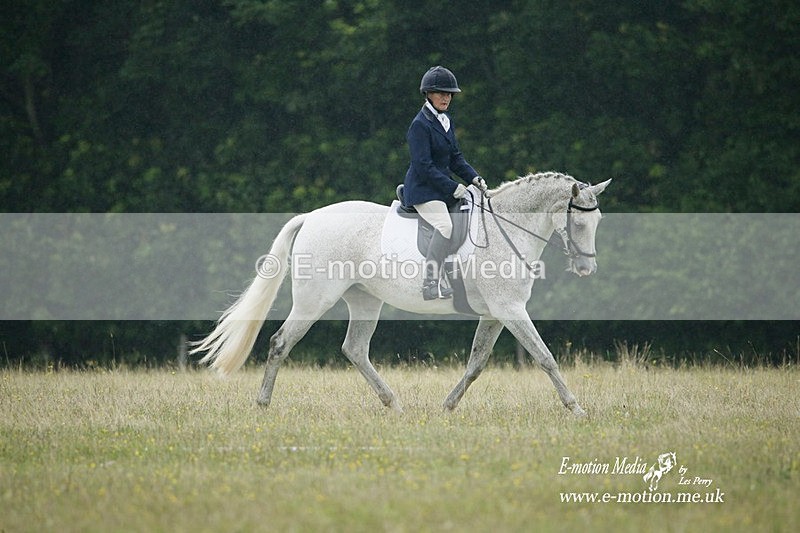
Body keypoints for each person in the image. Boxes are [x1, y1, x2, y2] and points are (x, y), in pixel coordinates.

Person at [403, 66, 487, 300]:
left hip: (440, 188)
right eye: (441, 93)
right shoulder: (419, 125)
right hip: (423, 190)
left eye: (449, 94)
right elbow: (423, 166)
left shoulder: (445, 120)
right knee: (446, 226)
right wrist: (453, 187)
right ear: (428, 93)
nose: (446, 97)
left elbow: (455, 158)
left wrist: (473, 177)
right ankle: (430, 282)